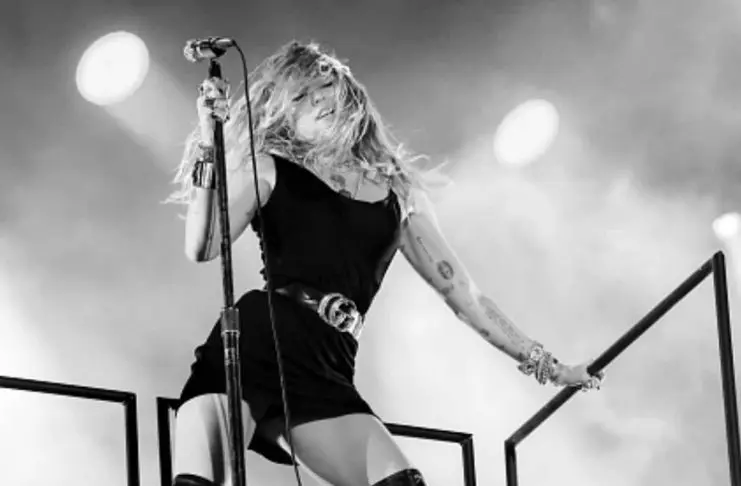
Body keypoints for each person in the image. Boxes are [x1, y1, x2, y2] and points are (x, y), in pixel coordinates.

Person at [166, 40, 602, 486]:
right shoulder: (267, 169)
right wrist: (208, 140)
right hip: (260, 340)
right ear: (283, 114)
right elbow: (203, 246)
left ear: (347, 91)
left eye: (324, 86)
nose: (318, 100)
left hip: (327, 363)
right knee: (201, 484)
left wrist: (549, 366)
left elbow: (465, 296)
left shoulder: (397, 196)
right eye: (300, 96)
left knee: (400, 483)